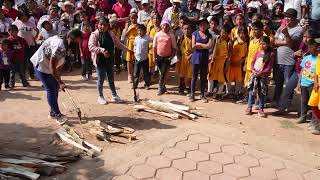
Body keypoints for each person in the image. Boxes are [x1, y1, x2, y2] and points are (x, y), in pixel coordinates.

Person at [30, 29, 82, 125]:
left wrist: (58, 79)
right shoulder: (59, 45)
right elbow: (52, 66)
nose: (76, 43)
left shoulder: (66, 44)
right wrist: (60, 82)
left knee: (55, 87)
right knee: (51, 89)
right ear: (70, 37)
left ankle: (53, 111)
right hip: (41, 65)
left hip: (49, 66)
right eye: (75, 40)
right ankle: (58, 114)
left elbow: (60, 63)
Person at [88, 17, 132, 105]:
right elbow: (91, 47)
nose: (102, 26)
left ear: (108, 26)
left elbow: (118, 43)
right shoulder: (94, 35)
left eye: (104, 25)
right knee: (101, 78)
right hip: (100, 60)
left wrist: (127, 49)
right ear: (98, 25)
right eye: (101, 24)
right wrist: (102, 50)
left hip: (110, 59)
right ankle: (100, 96)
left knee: (111, 78)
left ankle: (114, 96)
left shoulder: (111, 33)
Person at [273, 29, 315, 116]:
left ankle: (305, 112)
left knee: (306, 94)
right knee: (288, 88)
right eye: (304, 37)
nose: (306, 39)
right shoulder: (302, 44)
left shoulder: (313, 47)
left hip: (308, 74)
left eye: (308, 37)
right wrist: (295, 54)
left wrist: (303, 55)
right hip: (298, 71)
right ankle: (282, 108)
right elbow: (297, 55)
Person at [273, 8, 303, 105]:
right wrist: (285, 41)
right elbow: (274, 42)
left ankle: (287, 103)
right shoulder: (281, 27)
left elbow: (292, 45)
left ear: (295, 18)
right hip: (278, 60)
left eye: (289, 16)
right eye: (286, 16)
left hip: (289, 61)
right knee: (278, 83)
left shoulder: (299, 29)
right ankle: (277, 102)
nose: (287, 18)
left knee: (288, 85)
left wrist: (286, 34)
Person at [245, 36, 274, 117]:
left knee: (262, 92)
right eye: (260, 44)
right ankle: (249, 107)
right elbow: (252, 63)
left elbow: (269, 67)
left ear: (268, 44)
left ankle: (261, 108)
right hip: (254, 75)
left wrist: (261, 73)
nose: (262, 46)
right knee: (251, 91)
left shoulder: (270, 55)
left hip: (262, 77)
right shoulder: (257, 53)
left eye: (264, 44)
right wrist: (253, 70)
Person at [189, 17, 212, 102]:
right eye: (201, 24)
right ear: (199, 25)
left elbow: (209, 46)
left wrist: (199, 44)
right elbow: (193, 46)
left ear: (207, 25)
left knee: (203, 77)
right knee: (194, 77)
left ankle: (202, 95)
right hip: (196, 57)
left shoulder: (209, 35)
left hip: (204, 58)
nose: (203, 26)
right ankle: (192, 94)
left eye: (204, 24)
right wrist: (203, 45)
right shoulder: (194, 33)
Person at [153, 18, 177, 95]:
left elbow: (174, 48)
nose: (165, 27)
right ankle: (163, 87)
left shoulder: (171, 36)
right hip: (159, 56)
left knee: (163, 72)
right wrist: (154, 56)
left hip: (167, 57)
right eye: (163, 25)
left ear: (169, 27)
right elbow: (154, 47)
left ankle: (160, 87)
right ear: (161, 26)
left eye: (167, 26)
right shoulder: (157, 34)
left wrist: (171, 57)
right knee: (162, 72)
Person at [297, 39, 319, 123]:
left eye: (311, 47)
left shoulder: (318, 59)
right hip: (304, 83)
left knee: (313, 103)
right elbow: (302, 70)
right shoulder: (306, 58)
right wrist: (299, 83)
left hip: (313, 84)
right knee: (303, 101)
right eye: (308, 47)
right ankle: (303, 116)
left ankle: (314, 120)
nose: (309, 49)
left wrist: (316, 83)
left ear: (317, 48)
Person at [13, 10, 38, 80]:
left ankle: (32, 75)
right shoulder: (15, 23)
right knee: (22, 62)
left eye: (25, 16)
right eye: (22, 16)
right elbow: (12, 32)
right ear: (19, 17)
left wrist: (34, 36)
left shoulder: (32, 23)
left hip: (31, 45)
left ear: (28, 16)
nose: (24, 18)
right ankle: (22, 76)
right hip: (20, 46)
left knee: (31, 61)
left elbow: (35, 34)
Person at [207, 25, 231, 100]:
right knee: (210, 76)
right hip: (215, 61)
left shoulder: (229, 42)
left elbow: (230, 55)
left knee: (221, 78)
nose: (222, 34)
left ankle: (219, 93)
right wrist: (212, 59)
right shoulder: (217, 38)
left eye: (224, 33)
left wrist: (227, 65)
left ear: (228, 34)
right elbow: (214, 49)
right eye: (222, 32)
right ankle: (209, 91)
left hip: (223, 62)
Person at [226, 26, 248, 99]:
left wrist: (241, 62)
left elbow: (245, 55)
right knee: (229, 78)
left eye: (243, 33)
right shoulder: (234, 41)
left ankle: (236, 93)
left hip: (239, 64)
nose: (242, 35)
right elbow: (229, 49)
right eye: (240, 33)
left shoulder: (246, 43)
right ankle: (228, 93)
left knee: (238, 80)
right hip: (231, 63)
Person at [307, 38, 320, 135]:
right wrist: (315, 82)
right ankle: (317, 122)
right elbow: (316, 70)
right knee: (313, 103)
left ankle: (318, 126)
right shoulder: (319, 56)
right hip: (318, 84)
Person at [133, 24, 152, 89]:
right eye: (138, 31)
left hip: (145, 59)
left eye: (141, 31)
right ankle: (135, 84)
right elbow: (135, 46)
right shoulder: (136, 38)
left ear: (145, 31)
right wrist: (134, 52)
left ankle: (147, 84)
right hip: (137, 58)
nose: (139, 32)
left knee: (146, 72)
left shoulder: (147, 38)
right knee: (136, 72)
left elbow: (154, 40)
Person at [176, 21, 192, 95]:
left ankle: (189, 89)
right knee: (181, 74)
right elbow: (178, 48)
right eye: (185, 29)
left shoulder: (193, 37)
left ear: (191, 29)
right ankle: (181, 88)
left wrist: (191, 56)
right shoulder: (181, 38)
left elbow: (196, 48)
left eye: (188, 29)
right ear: (182, 30)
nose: (186, 30)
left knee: (190, 75)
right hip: (182, 58)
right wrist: (178, 57)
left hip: (191, 58)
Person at [124, 10, 138, 83]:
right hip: (130, 43)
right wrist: (130, 29)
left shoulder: (139, 25)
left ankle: (136, 74)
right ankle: (129, 75)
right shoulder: (128, 25)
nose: (133, 19)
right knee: (129, 60)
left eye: (135, 18)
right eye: (132, 18)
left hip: (137, 43)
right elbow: (125, 35)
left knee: (137, 59)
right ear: (130, 18)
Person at [147, 12, 160, 76]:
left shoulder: (162, 28)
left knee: (159, 64)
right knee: (151, 64)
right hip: (151, 49)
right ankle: (150, 78)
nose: (155, 20)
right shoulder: (150, 27)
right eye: (154, 18)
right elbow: (147, 36)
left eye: (157, 18)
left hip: (159, 49)